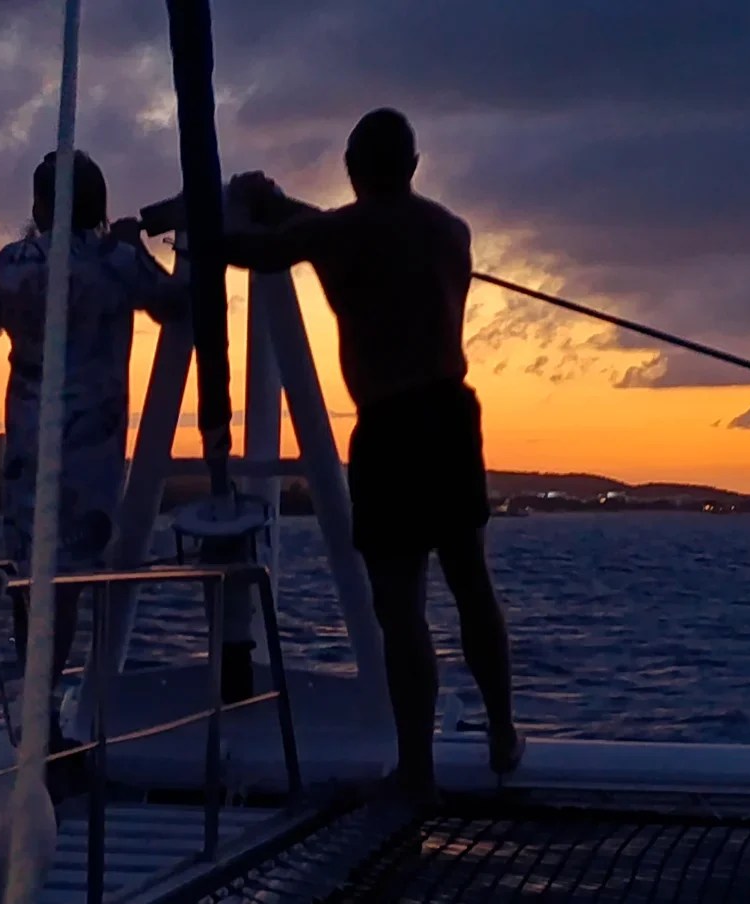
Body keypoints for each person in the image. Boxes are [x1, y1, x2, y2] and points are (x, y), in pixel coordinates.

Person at [223, 108, 522, 804]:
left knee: (401, 606)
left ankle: (417, 770)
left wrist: (209, 221)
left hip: (389, 427)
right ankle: (504, 733)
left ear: (351, 169)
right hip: (451, 415)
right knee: (471, 583)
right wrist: (281, 205)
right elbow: (343, 227)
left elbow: (262, 251)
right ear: (413, 166)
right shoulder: (451, 231)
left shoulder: (337, 233)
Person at [0, 149, 188, 750]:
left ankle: (33, 705)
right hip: (92, 446)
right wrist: (135, 247)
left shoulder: (13, 262)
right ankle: (43, 713)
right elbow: (173, 304)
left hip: (29, 441)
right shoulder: (117, 261)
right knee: (68, 580)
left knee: (32, 572)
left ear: (41, 205)